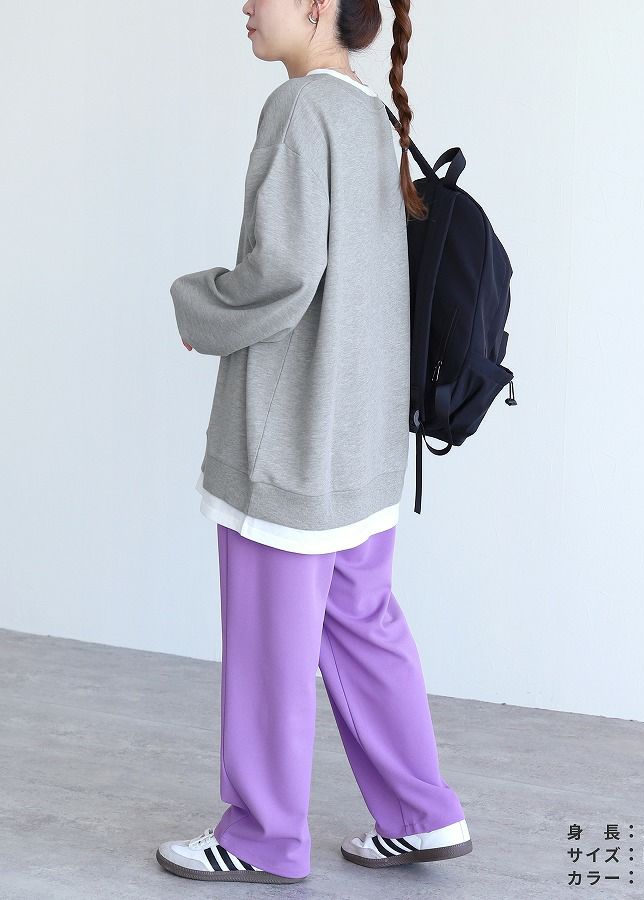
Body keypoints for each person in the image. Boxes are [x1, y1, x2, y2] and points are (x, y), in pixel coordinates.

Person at [156, 0, 471, 884]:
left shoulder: (299, 109)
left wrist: (198, 305)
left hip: (291, 439)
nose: (246, 7)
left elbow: (285, 273)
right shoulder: (371, 112)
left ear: (317, 6)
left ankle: (263, 836)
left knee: (272, 645)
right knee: (364, 628)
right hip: (361, 444)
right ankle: (424, 813)